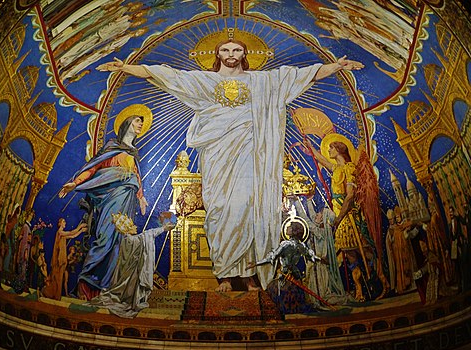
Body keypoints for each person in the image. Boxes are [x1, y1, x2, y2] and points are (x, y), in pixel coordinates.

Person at [97, 39, 364, 292]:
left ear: (244, 55)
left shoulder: (262, 81)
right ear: (218, 55)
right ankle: (225, 273)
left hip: (250, 156)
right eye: (226, 50)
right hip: (217, 157)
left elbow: (303, 75)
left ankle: (249, 275)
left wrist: (337, 67)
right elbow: (166, 76)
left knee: (249, 208)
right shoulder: (205, 81)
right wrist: (124, 68)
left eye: (237, 50)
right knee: (220, 210)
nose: (231, 54)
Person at [58, 107, 150, 300]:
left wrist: (141, 197)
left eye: (142, 122)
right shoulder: (111, 147)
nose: (140, 124)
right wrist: (75, 183)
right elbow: (92, 169)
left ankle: (106, 289)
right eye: (137, 121)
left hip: (126, 201)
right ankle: (85, 287)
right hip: (110, 199)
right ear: (127, 123)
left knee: (119, 243)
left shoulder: (133, 152)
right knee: (105, 239)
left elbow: (136, 176)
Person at [304, 139, 388, 301]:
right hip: (340, 220)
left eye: (331, 148)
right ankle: (359, 290)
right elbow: (322, 160)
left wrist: (339, 217)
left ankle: (382, 282)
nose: (328, 151)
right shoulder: (336, 168)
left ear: (339, 150)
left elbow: (350, 196)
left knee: (367, 253)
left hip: (349, 217)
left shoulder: (350, 168)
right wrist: (310, 148)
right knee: (350, 255)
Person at [87, 212, 175, 318]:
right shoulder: (130, 240)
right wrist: (163, 228)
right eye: (132, 225)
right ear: (127, 228)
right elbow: (146, 236)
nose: (135, 226)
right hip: (131, 276)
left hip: (130, 275)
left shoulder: (127, 240)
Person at [42, 219, 87, 300]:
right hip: (58, 260)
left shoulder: (62, 234)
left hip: (62, 259)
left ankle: (56, 295)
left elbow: (73, 236)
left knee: (60, 278)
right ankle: (53, 295)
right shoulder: (59, 232)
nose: (65, 223)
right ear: (60, 224)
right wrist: (80, 226)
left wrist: (81, 231)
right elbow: (71, 232)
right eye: (64, 222)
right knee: (57, 278)